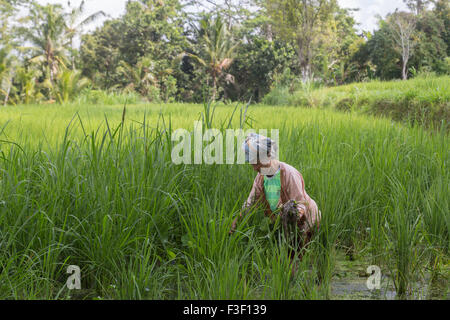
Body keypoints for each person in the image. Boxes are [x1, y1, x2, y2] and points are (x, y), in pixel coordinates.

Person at [229, 133, 321, 259]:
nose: (255, 167)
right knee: (282, 258)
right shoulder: (260, 178)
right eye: (251, 163)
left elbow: (301, 204)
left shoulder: (289, 174)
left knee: (298, 257)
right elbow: (251, 203)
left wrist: (290, 216)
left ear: (268, 155)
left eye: (257, 162)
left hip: (306, 221)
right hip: (284, 224)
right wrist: (237, 221)